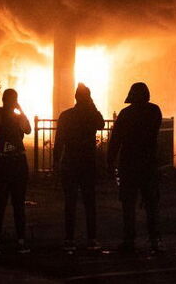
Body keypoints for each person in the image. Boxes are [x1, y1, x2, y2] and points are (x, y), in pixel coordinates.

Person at [107, 82, 163, 253]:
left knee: (128, 205)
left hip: (129, 165)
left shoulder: (125, 114)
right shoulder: (154, 111)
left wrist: (109, 162)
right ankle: (154, 241)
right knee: (151, 204)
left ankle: (129, 240)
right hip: (148, 165)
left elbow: (115, 140)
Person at [54, 83, 105, 253]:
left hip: (70, 163)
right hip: (87, 164)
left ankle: (69, 239)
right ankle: (91, 239)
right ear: (88, 98)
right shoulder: (91, 116)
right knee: (89, 203)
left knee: (70, 203)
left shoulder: (66, 116)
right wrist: (92, 105)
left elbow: (59, 141)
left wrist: (56, 164)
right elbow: (101, 123)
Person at [0, 89, 31, 255]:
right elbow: (28, 129)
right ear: (15, 101)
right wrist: (21, 109)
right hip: (18, 165)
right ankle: (21, 242)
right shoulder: (19, 118)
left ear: (3, 100)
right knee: (18, 205)